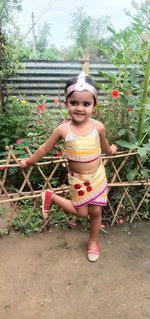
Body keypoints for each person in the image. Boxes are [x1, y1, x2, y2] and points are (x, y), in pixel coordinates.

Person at [20, 72, 118, 262]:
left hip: (97, 177)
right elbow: (45, 148)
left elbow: (105, 147)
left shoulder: (98, 127)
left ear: (94, 106)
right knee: (82, 213)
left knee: (96, 211)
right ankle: (52, 196)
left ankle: (93, 241)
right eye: (74, 103)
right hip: (79, 181)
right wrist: (29, 161)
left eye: (86, 104)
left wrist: (112, 150)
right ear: (66, 103)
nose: (80, 108)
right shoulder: (63, 129)